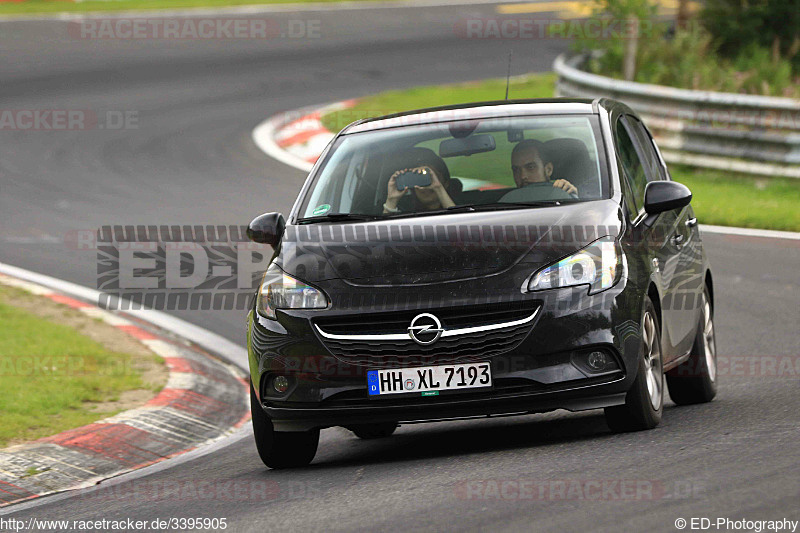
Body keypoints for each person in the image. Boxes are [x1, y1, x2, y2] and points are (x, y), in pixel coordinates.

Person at [383, 148, 457, 214]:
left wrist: (438, 188)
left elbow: (459, 222)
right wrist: (392, 200)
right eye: (419, 178)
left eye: (430, 177)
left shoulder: (463, 207)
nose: (424, 187)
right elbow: (384, 228)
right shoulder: (405, 211)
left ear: (446, 183)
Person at [511, 139, 578, 196]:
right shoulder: (508, 202)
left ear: (548, 170)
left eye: (530, 167)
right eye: (516, 170)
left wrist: (571, 196)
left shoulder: (561, 193)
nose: (522, 176)